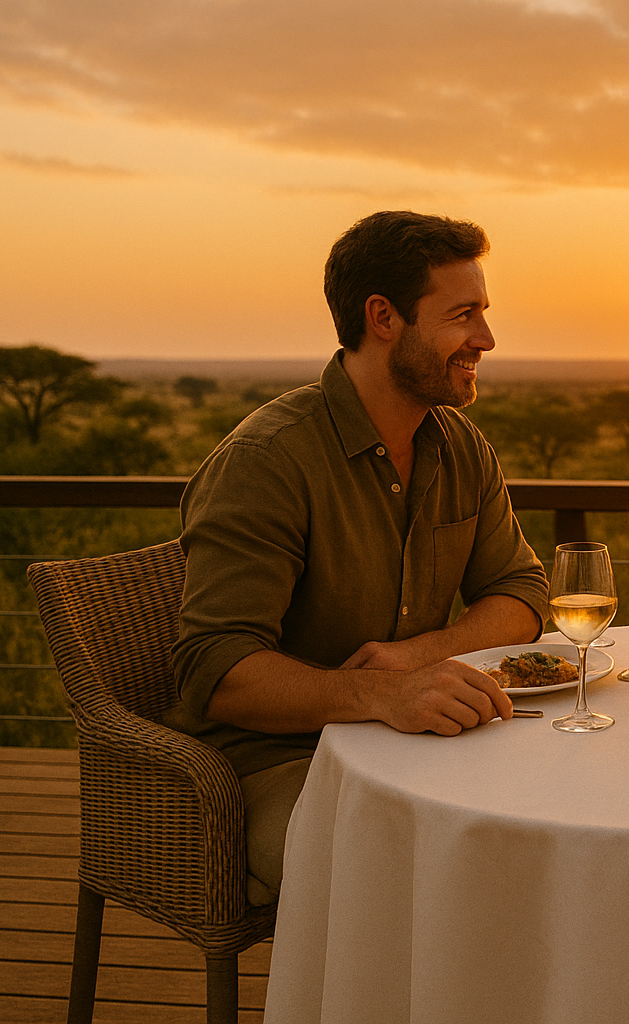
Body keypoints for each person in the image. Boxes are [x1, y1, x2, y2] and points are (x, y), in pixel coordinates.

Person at [167, 211, 549, 906]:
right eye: (463, 315)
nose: (486, 339)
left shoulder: (460, 446)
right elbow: (214, 669)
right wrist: (380, 695)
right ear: (383, 317)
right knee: (422, 875)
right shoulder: (269, 460)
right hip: (281, 765)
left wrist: (418, 658)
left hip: (421, 742)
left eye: (483, 314)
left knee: (548, 830)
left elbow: (522, 593)